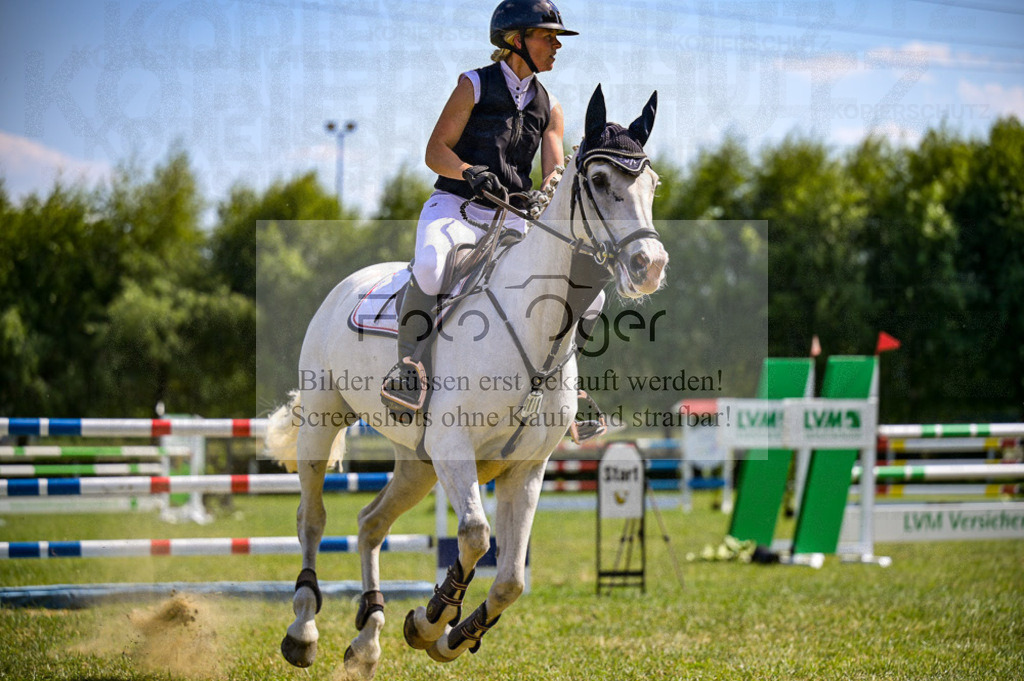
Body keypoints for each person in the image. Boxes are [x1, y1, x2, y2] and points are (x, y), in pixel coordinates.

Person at [381, 0, 589, 415]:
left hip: (512, 219)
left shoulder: (550, 106)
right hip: (456, 206)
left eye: (556, 38)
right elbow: (434, 151)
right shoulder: (473, 84)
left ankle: (569, 389)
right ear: (517, 40)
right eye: (547, 37)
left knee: (568, 285)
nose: (556, 46)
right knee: (430, 265)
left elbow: (552, 172)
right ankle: (408, 367)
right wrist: (467, 171)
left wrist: (549, 191)